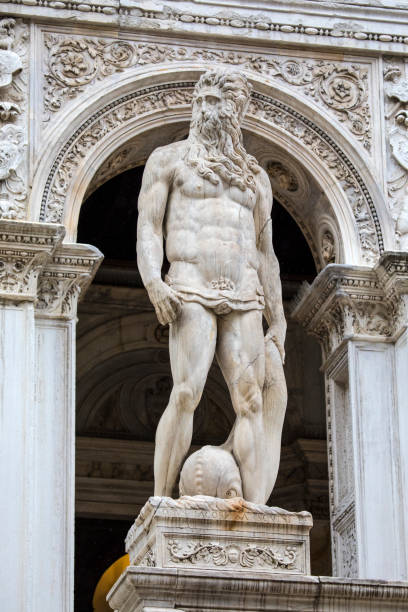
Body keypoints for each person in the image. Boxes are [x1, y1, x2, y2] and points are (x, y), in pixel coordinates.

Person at [137, 70, 286, 503]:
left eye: (216, 101)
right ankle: (161, 502)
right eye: (201, 100)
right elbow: (149, 228)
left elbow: (265, 253)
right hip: (189, 287)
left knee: (251, 402)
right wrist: (153, 282)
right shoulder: (169, 160)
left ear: (236, 109)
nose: (206, 108)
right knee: (186, 393)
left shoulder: (255, 177)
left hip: (244, 294)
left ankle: (254, 509)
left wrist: (278, 321)